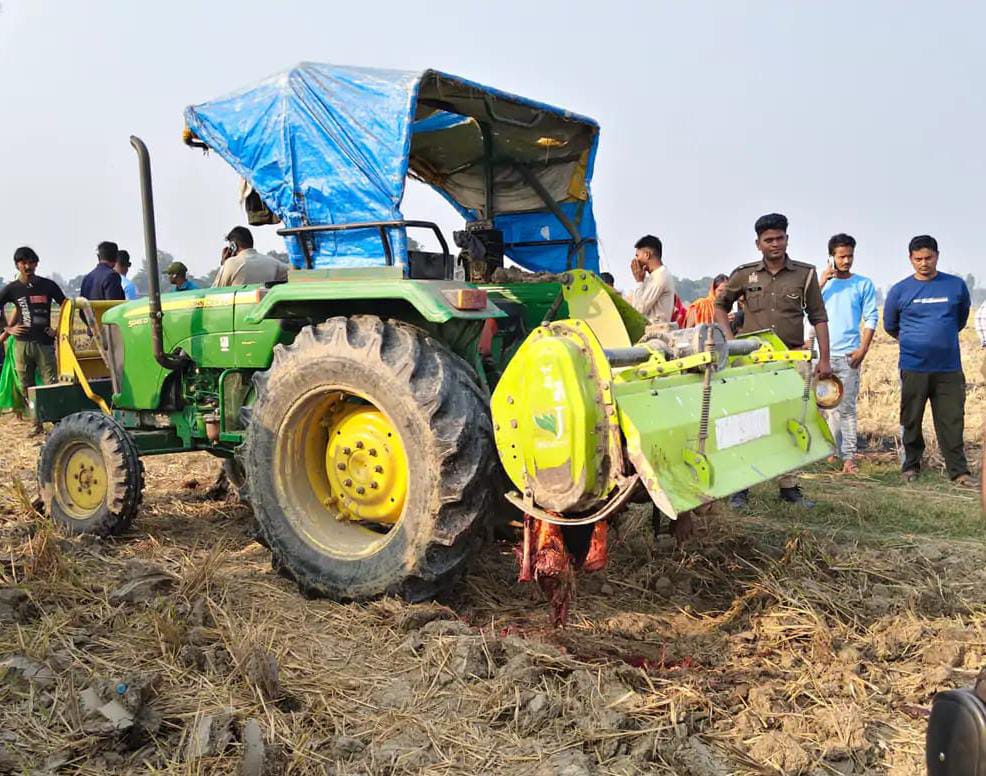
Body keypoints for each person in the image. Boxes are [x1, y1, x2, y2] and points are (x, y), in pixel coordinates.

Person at [714, 213, 832, 509]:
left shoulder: (804, 275)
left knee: (793, 418)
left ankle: (789, 486)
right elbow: (719, 306)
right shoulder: (743, 274)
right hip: (754, 360)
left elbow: (818, 317)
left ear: (787, 239)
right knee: (747, 420)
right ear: (758, 244)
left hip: (792, 358)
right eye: (769, 240)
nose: (775, 244)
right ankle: (741, 485)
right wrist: (730, 342)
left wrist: (825, 360)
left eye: (780, 238)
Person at [884, 235, 974, 487]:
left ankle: (959, 472)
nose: (924, 263)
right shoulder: (900, 290)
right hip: (914, 367)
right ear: (910, 259)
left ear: (937, 255)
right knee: (911, 419)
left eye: (928, 258)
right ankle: (911, 466)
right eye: (918, 259)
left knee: (952, 420)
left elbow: (960, 319)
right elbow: (891, 325)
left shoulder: (955, 286)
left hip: (948, 368)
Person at [811, 234, 878, 475]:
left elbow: (871, 317)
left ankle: (849, 457)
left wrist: (863, 349)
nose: (846, 260)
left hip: (849, 356)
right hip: (821, 356)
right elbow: (804, 309)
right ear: (832, 257)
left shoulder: (863, 284)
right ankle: (828, 451)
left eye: (850, 255)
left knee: (846, 407)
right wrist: (820, 283)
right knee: (822, 405)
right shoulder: (820, 285)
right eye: (841, 256)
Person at [0, 247, 66, 434]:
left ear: (36, 264)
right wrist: (8, 328)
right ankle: (36, 423)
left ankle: (56, 424)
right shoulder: (12, 288)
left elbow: (66, 306)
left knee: (50, 383)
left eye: (31, 263)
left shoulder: (48, 285)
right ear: (17, 265)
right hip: (21, 344)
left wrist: (58, 330)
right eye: (23, 263)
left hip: (44, 343)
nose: (28, 266)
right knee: (25, 385)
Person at [213, 226, 288, 287]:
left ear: (233, 246)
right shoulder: (273, 263)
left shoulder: (230, 264)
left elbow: (214, 292)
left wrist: (223, 265)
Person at [628, 235, 676, 323]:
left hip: (656, 332)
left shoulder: (660, 276)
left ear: (647, 254)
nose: (636, 260)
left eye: (637, 255)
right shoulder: (653, 276)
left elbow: (638, 310)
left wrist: (639, 281)